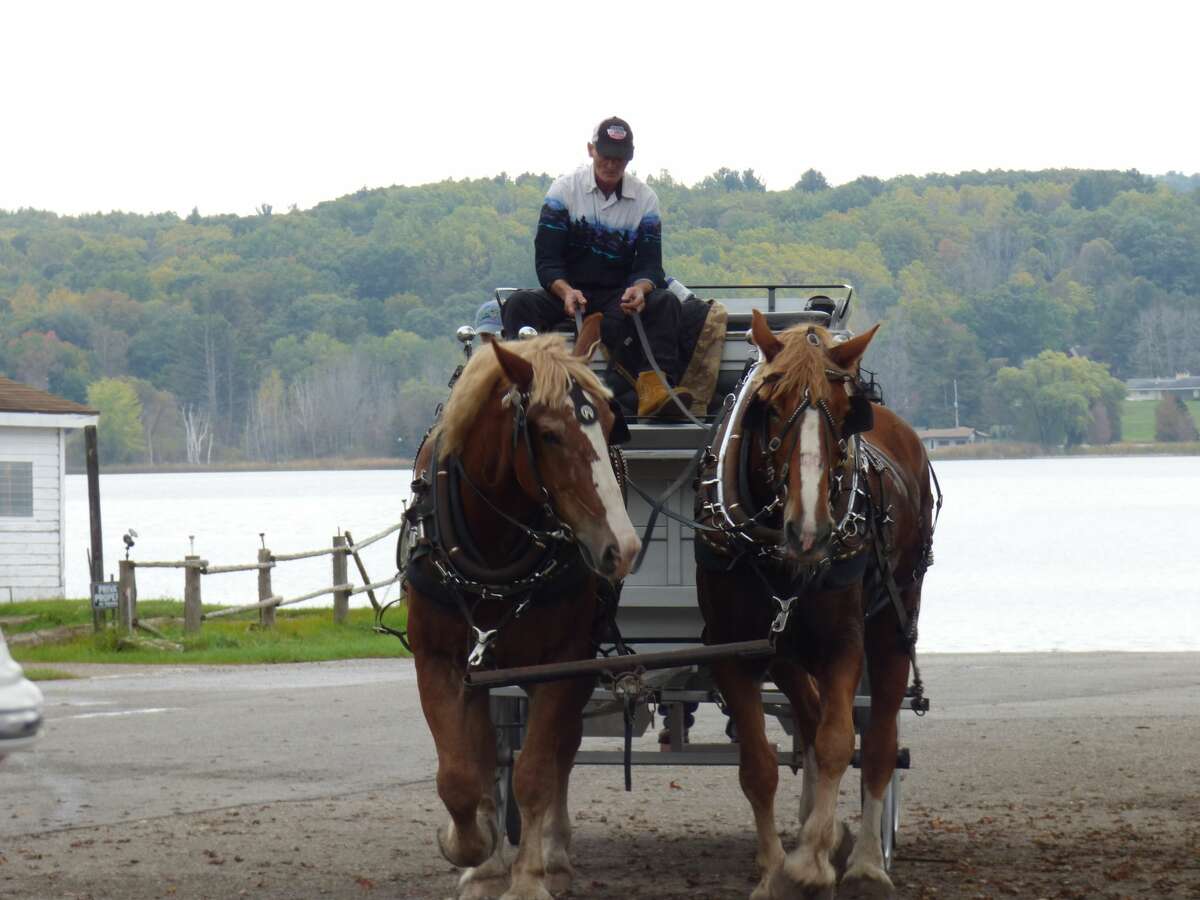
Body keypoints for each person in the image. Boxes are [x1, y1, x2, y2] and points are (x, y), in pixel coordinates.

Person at [501, 116, 692, 418]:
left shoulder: (646, 200)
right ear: (591, 150)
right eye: (606, 156)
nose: (612, 164)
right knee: (517, 305)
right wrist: (564, 290)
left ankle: (656, 387)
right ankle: (529, 386)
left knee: (665, 302)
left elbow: (651, 266)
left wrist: (640, 289)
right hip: (567, 290)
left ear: (630, 157)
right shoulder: (563, 191)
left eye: (620, 158)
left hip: (619, 295)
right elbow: (547, 260)